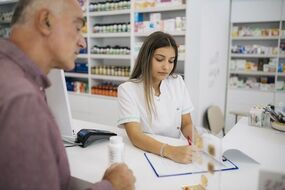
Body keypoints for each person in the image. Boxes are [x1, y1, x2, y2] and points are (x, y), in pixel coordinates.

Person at [0, 0, 135, 190]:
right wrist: (111, 186)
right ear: (46, 21)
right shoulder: (22, 101)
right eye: (77, 27)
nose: (83, 42)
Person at [117, 31, 196, 164]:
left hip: (176, 152)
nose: (166, 67)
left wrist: (197, 141)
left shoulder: (177, 82)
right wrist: (170, 151)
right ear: (146, 58)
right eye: (159, 59)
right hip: (146, 153)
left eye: (171, 61)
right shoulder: (128, 89)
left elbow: (186, 123)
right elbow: (135, 135)